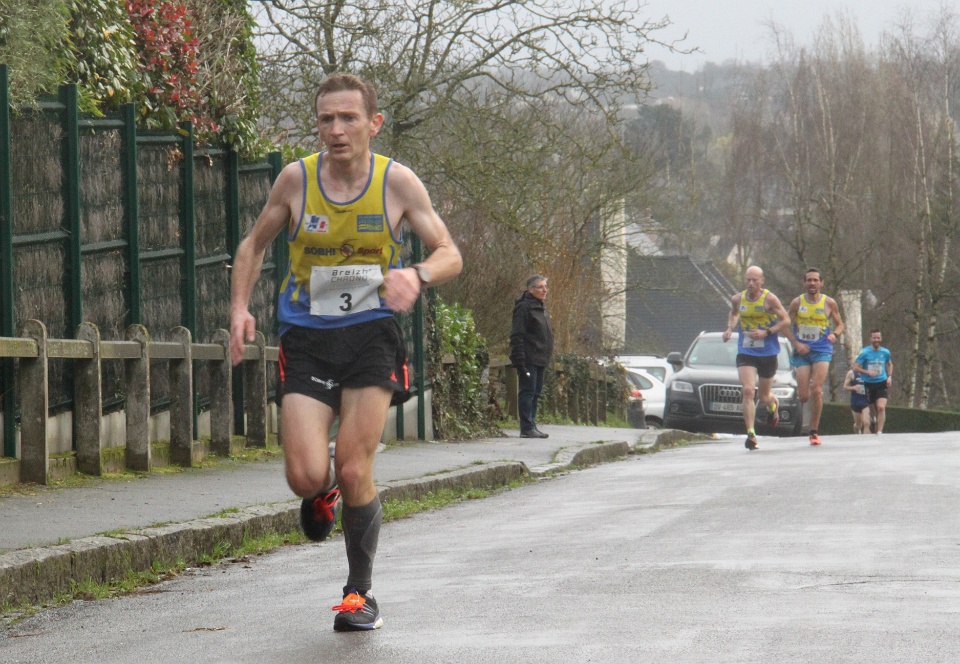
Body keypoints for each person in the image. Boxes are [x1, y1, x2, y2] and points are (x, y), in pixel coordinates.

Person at [229, 73, 462, 632]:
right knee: (305, 475)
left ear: (373, 124)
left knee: (356, 465)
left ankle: (359, 595)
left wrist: (417, 274)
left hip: (371, 335)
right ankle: (323, 492)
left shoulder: (396, 183)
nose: (336, 130)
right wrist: (239, 308)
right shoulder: (296, 180)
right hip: (307, 338)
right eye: (326, 119)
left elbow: (449, 252)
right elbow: (254, 245)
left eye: (348, 118)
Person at [722, 265, 794, 451]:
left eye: (755, 280)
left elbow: (786, 320)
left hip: (768, 352)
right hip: (746, 351)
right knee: (748, 390)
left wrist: (766, 332)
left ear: (762, 281)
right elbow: (734, 313)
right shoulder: (737, 299)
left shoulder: (770, 299)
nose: (751, 283)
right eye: (748, 280)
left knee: (763, 397)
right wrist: (729, 328)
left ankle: (773, 405)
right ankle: (751, 434)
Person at [788, 268, 845, 446]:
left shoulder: (829, 302)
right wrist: (796, 343)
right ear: (804, 283)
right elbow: (785, 324)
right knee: (804, 396)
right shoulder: (797, 303)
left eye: (815, 280)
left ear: (821, 283)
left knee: (817, 389)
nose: (812, 283)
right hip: (802, 351)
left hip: (822, 349)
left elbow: (840, 324)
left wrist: (835, 334)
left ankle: (813, 431)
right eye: (809, 280)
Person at [509, 275, 554, 438]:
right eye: (540, 287)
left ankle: (531, 424)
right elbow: (517, 334)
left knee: (535, 392)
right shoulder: (524, 308)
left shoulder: (541, 308)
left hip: (541, 357)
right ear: (530, 289)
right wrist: (519, 358)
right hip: (529, 357)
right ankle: (526, 427)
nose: (544, 290)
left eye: (546, 287)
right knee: (527, 392)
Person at [853, 329, 893, 435]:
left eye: (878, 338)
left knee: (881, 407)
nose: (876, 340)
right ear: (871, 339)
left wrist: (889, 376)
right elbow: (855, 367)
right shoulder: (864, 352)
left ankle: (879, 431)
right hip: (868, 383)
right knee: (872, 409)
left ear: (881, 339)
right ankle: (873, 419)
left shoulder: (885, 352)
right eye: (874, 338)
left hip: (881, 382)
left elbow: (889, 364)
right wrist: (867, 372)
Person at [843, 368, 869, 434]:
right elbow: (845, 387)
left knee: (866, 423)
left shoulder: (868, 372)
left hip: (866, 401)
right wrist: (853, 387)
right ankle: (857, 433)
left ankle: (865, 439)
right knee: (858, 425)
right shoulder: (851, 373)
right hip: (856, 401)